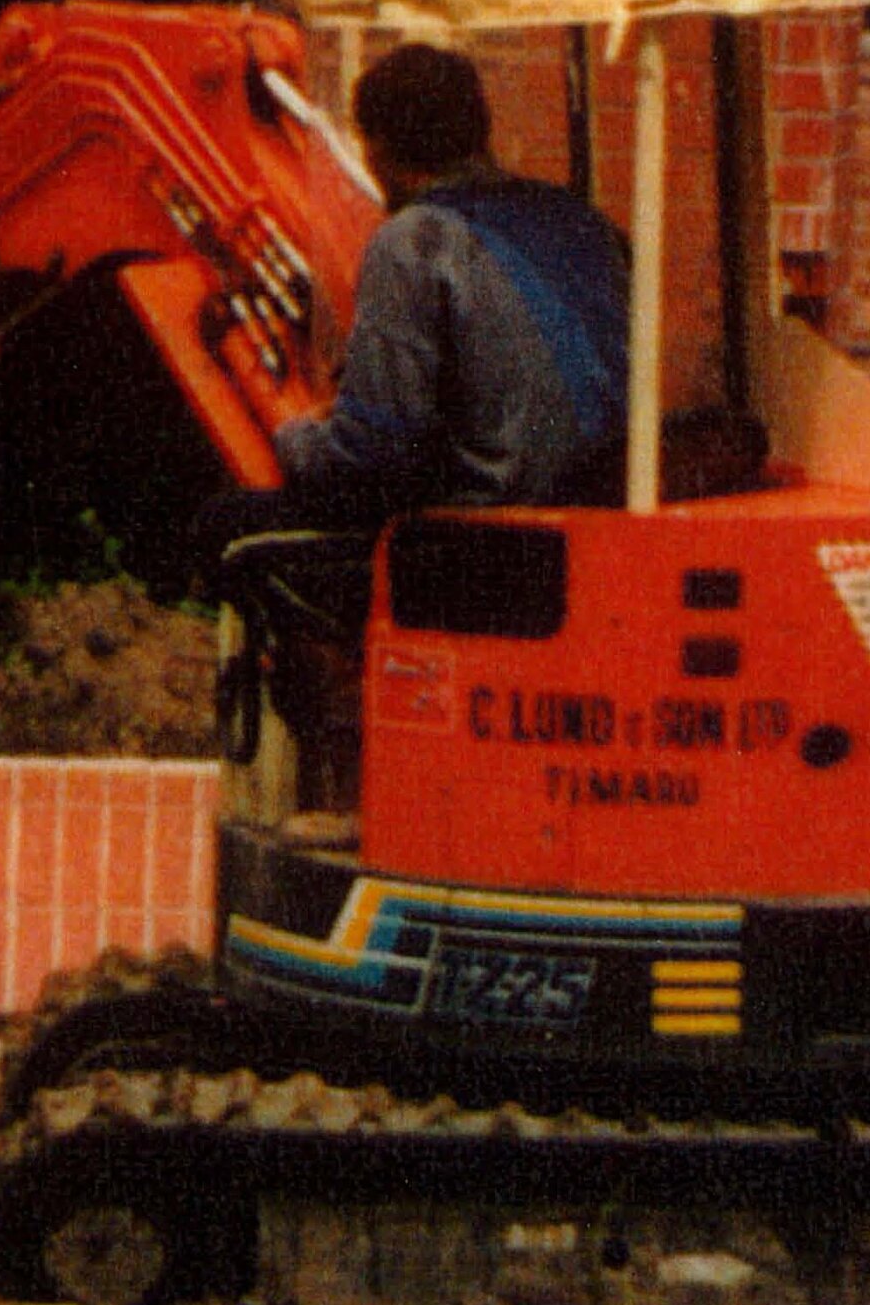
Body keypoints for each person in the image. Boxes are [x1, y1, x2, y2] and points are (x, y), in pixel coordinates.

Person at [209, 43, 631, 799]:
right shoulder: (584, 224)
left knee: (232, 527)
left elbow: (373, 454)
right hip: (591, 514)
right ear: (478, 127)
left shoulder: (415, 242)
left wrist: (294, 434)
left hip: (483, 541)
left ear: (377, 150)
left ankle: (348, 748)